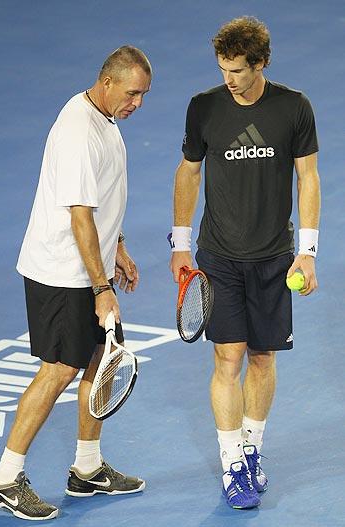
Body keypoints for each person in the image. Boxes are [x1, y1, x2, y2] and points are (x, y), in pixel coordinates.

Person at [0, 45, 152, 521]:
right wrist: (101, 288)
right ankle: (4, 479)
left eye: (144, 96)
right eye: (133, 93)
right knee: (59, 369)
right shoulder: (79, 131)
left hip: (88, 266)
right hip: (62, 272)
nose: (137, 103)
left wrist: (118, 247)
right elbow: (80, 216)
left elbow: (101, 199)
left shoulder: (106, 117)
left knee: (102, 362)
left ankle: (87, 467)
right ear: (108, 82)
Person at [170, 17, 320, 510]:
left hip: (275, 258)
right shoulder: (204, 108)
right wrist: (180, 242)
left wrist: (308, 250)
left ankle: (253, 448)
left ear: (262, 63)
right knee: (228, 358)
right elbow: (189, 172)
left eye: (238, 70)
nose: (229, 79)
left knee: (262, 357)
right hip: (219, 257)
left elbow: (308, 178)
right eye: (223, 69)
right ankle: (233, 462)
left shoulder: (293, 108)